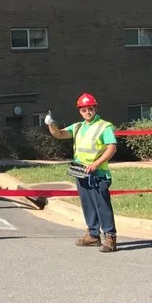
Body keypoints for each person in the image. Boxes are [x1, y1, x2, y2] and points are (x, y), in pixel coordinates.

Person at [45, 92, 118, 252]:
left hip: (98, 174)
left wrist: (96, 164)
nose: (87, 112)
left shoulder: (104, 126)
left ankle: (110, 237)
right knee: (88, 204)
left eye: (90, 108)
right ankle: (93, 235)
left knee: (102, 206)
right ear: (79, 111)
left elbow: (111, 148)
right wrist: (51, 124)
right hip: (80, 171)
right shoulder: (77, 126)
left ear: (95, 108)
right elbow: (59, 134)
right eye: (83, 109)